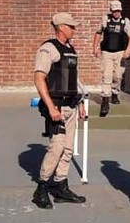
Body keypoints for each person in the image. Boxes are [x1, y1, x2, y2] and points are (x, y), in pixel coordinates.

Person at [32, 12, 88, 209]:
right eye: (71, 27)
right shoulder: (48, 49)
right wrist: (50, 107)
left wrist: (80, 102)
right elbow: (39, 78)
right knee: (57, 147)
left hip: (71, 105)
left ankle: (61, 186)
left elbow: (72, 79)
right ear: (62, 27)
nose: (74, 30)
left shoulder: (70, 49)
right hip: (56, 107)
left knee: (68, 148)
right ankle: (41, 188)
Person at [92, 0, 130, 117]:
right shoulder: (105, 20)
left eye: (118, 11)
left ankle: (115, 93)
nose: (116, 13)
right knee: (107, 75)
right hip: (107, 52)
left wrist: (128, 50)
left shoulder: (125, 21)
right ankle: (105, 101)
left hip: (120, 52)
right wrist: (95, 47)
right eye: (114, 11)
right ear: (111, 11)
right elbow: (98, 33)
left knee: (118, 76)